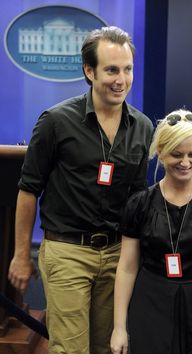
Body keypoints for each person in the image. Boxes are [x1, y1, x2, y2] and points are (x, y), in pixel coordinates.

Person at [8, 26, 153, 354]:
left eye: (128, 69)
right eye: (111, 70)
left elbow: (138, 197)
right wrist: (20, 255)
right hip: (67, 252)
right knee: (70, 349)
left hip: (117, 254)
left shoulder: (143, 127)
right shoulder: (56, 121)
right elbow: (28, 189)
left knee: (108, 347)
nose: (121, 80)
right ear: (89, 71)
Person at [110, 109, 192, 354]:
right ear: (160, 152)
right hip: (150, 303)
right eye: (177, 154)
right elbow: (126, 267)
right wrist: (119, 327)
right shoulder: (139, 204)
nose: (186, 162)